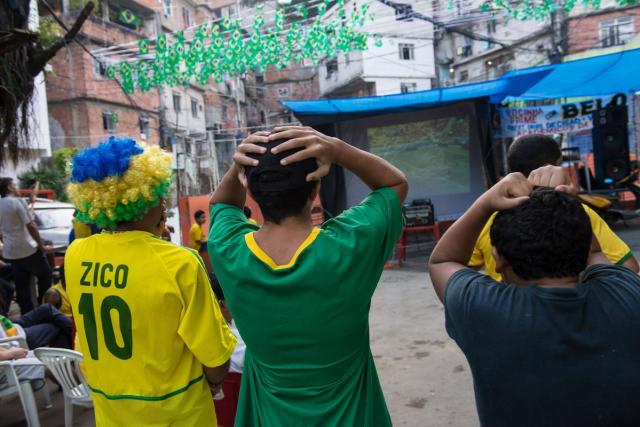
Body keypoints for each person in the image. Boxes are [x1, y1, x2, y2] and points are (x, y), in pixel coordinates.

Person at [209, 126, 408, 426]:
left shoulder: (228, 251)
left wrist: (241, 163)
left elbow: (222, 203)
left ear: (251, 192)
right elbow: (394, 184)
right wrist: (337, 148)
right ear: (315, 190)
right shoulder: (350, 244)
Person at [428, 173, 640, 426]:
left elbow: (442, 261)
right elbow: (594, 252)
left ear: (498, 259)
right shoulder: (627, 292)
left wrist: (484, 204)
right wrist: (568, 207)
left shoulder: (482, 310)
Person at [64, 136, 236, 426]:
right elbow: (216, 361)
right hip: (177, 412)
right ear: (144, 201)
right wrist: (216, 383)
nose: (164, 203)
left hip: (111, 409)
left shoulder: (76, 254)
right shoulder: (179, 262)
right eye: (160, 196)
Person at [468, 134, 639, 280]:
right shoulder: (577, 214)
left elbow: (455, 267)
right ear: (556, 165)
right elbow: (628, 267)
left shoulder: (487, 219)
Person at [0, 178, 52, 314]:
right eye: (14, 185)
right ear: (10, 188)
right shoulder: (17, 201)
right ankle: (44, 306)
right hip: (27, 249)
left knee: (21, 284)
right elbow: (31, 225)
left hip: (11, 252)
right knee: (46, 274)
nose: (17, 188)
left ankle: (27, 315)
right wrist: (41, 245)